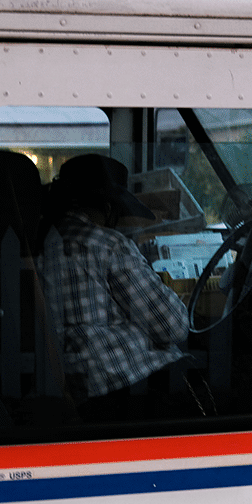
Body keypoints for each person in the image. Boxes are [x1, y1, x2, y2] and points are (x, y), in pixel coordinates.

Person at [39, 154, 189, 412]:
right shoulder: (108, 244)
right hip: (124, 381)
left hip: (81, 383)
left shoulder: (43, 240)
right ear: (109, 209)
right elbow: (172, 326)